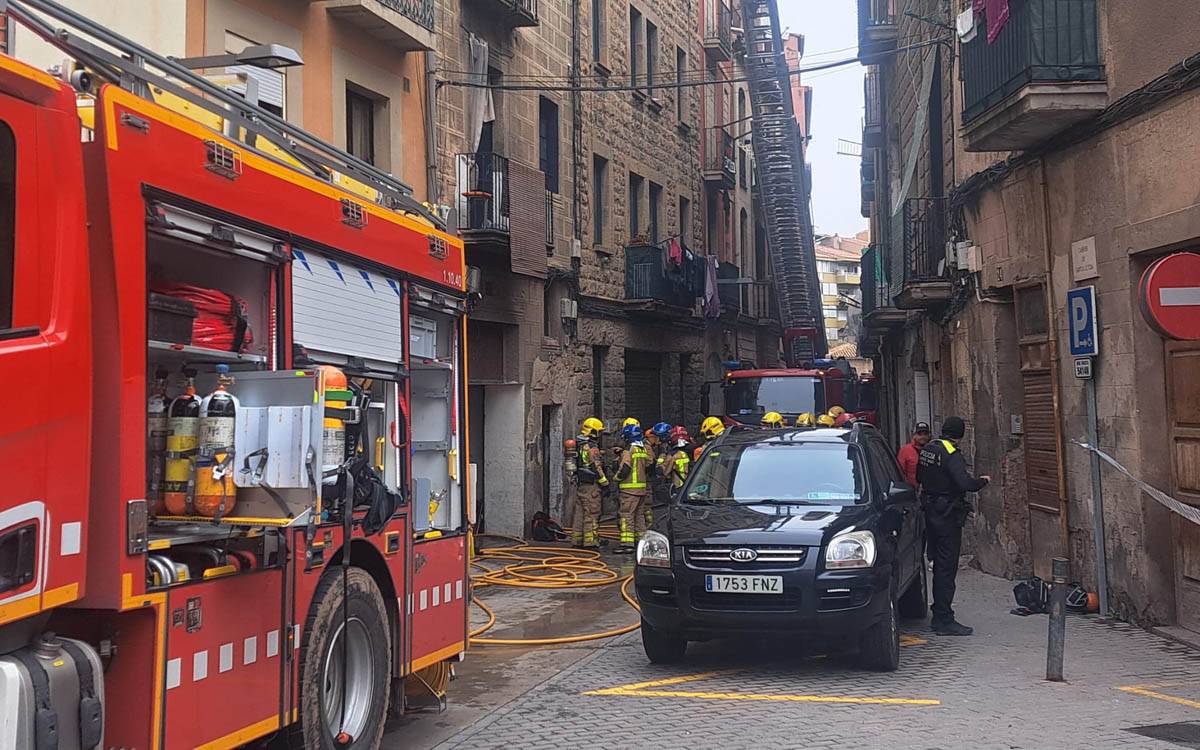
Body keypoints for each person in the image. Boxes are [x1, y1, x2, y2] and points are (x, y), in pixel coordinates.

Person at [916, 416, 990, 636]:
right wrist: (983, 480)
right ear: (960, 434)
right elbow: (965, 484)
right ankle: (943, 619)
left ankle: (939, 613)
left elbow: (919, 476)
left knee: (938, 564)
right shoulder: (951, 453)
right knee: (947, 569)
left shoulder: (929, 448)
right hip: (947, 515)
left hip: (930, 512)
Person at [571, 417, 608, 549]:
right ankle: (590, 541)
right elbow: (596, 466)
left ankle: (577, 540)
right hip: (592, 486)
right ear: (594, 432)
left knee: (579, 513)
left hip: (581, 484)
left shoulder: (579, 444)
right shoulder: (592, 447)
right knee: (591, 513)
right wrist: (605, 483)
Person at [615, 423, 652, 554]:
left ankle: (627, 543)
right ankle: (641, 541)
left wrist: (616, 478)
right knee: (639, 517)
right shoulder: (642, 450)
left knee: (626, 516)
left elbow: (625, 468)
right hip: (642, 490)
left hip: (629, 491)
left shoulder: (628, 450)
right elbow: (649, 465)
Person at [897, 422, 932, 487]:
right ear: (914, 435)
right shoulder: (905, 450)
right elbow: (900, 473)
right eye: (919, 434)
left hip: (929, 490)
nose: (923, 437)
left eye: (925, 434)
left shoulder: (933, 450)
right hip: (912, 490)